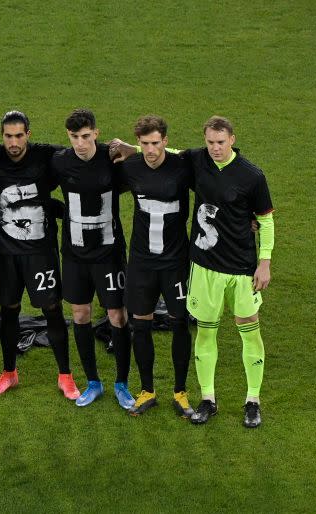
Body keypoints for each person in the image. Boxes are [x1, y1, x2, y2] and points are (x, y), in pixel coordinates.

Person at [0, 111, 78, 399]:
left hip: (41, 252)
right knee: (8, 311)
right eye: (8, 136)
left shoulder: (47, 156)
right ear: (2, 135)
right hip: (6, 253)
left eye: (19, 135)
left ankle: (65, 375)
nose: (13, 142)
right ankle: (9, 373)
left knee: (52, 310)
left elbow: (81, 156)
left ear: (28, 134)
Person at [184, 116, 274, 428]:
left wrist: (264, 262)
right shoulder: (197, 160)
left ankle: (253, 400)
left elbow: (265, 219)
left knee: (249, 329)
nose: (215, 148)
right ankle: (208, 398)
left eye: (220, 142)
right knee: (206, 331)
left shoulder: (251, 175)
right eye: (210, 142)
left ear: (232, 139)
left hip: (241, 268)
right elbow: (163, 154)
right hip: (205, 267)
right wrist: (130, 149)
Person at [51, 109, 134, 409]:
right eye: (74, 137)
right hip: (74, 255)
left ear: (96, 134)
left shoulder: (113, 160)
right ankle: (93, 383)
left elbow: (148, 170)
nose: (81, 143)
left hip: (109, 254)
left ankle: (122, 384)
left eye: (86, 136)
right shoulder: (60, 161)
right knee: (80, 314)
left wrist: (133, 148)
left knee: (117, 316)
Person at [116, 115, 195, 417]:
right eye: (144, 143)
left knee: (178, 322)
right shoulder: (131, 167)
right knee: (141, 324)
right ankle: (147, 390)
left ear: (165, 141)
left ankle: (180, 392)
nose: (150, 150)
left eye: (155, 143)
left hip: (175, 261)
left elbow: (215, 184)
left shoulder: (183, 167)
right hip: (141, 262)